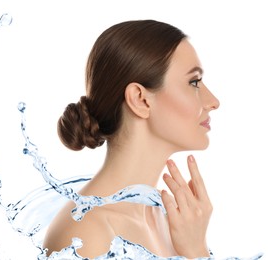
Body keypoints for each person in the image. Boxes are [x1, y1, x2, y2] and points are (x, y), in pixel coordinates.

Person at [42, 19, 220, 259]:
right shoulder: (86, 235)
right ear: (140, 99)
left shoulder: (171, 222)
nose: (213, 101)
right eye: (194, 82)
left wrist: (196, 249)